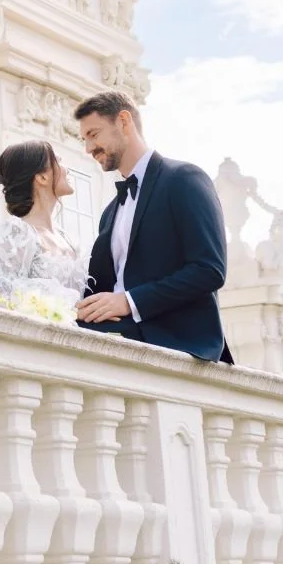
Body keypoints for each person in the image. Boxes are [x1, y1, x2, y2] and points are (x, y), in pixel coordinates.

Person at [73, 90, 233, 364]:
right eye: (84, 139)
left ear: (124, 122)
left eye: (94, 134)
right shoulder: (110, 212)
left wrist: (129, 301)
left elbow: (210, 269)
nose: (88, 149)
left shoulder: (184, 179)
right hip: (117, 333)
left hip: (176, 337)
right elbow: (99, 287)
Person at [0, 140, 90, 316]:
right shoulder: (16, 234)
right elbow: (1, 295)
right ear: (42, 177)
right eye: (58, 161)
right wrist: (71, 308)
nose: (66, 168)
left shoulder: (69, 241)